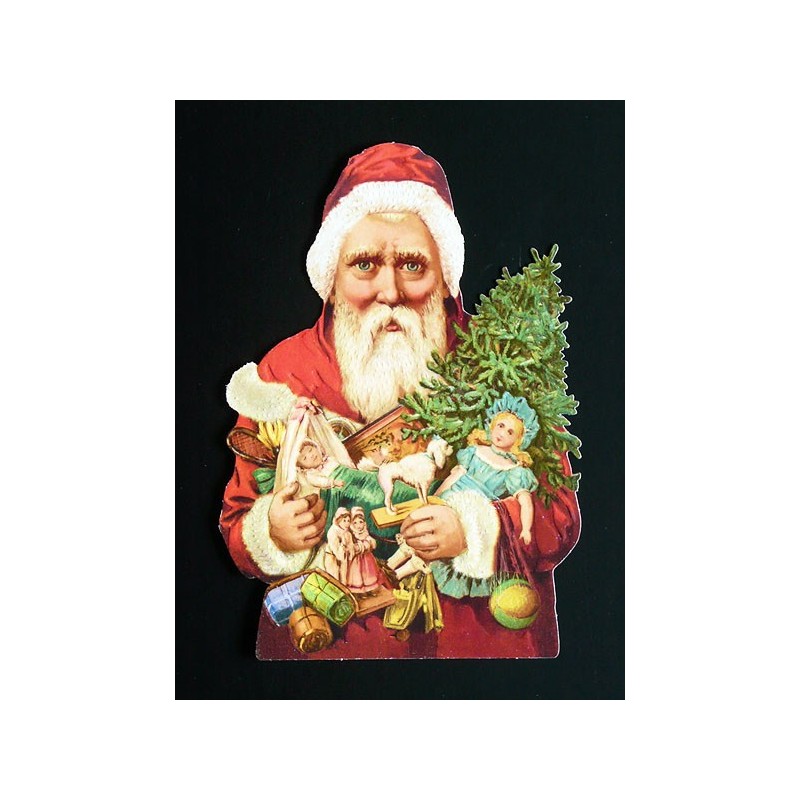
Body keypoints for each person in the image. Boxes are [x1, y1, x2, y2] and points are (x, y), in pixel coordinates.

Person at [220, 142, 581, 659]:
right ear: (332, 279)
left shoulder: (501, 359)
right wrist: (274, 530)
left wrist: (473, 529)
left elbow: (560, 518)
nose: (389, 290)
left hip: (479, 654)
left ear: (445, 277)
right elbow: (237, 526)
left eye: (412, 265)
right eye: (364, 264)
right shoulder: (285, 372)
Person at [345, 507, 383, 594]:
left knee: (369, 575)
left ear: (364, 523)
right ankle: (359, 592)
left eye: (360, 522)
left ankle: (370, 589)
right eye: (355, 523)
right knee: (357, 576)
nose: (358, 525)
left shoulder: (365, 533)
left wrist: (370, 543)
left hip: (367, 558)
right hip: (356, 560)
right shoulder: (351, 535)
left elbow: (371, 542)